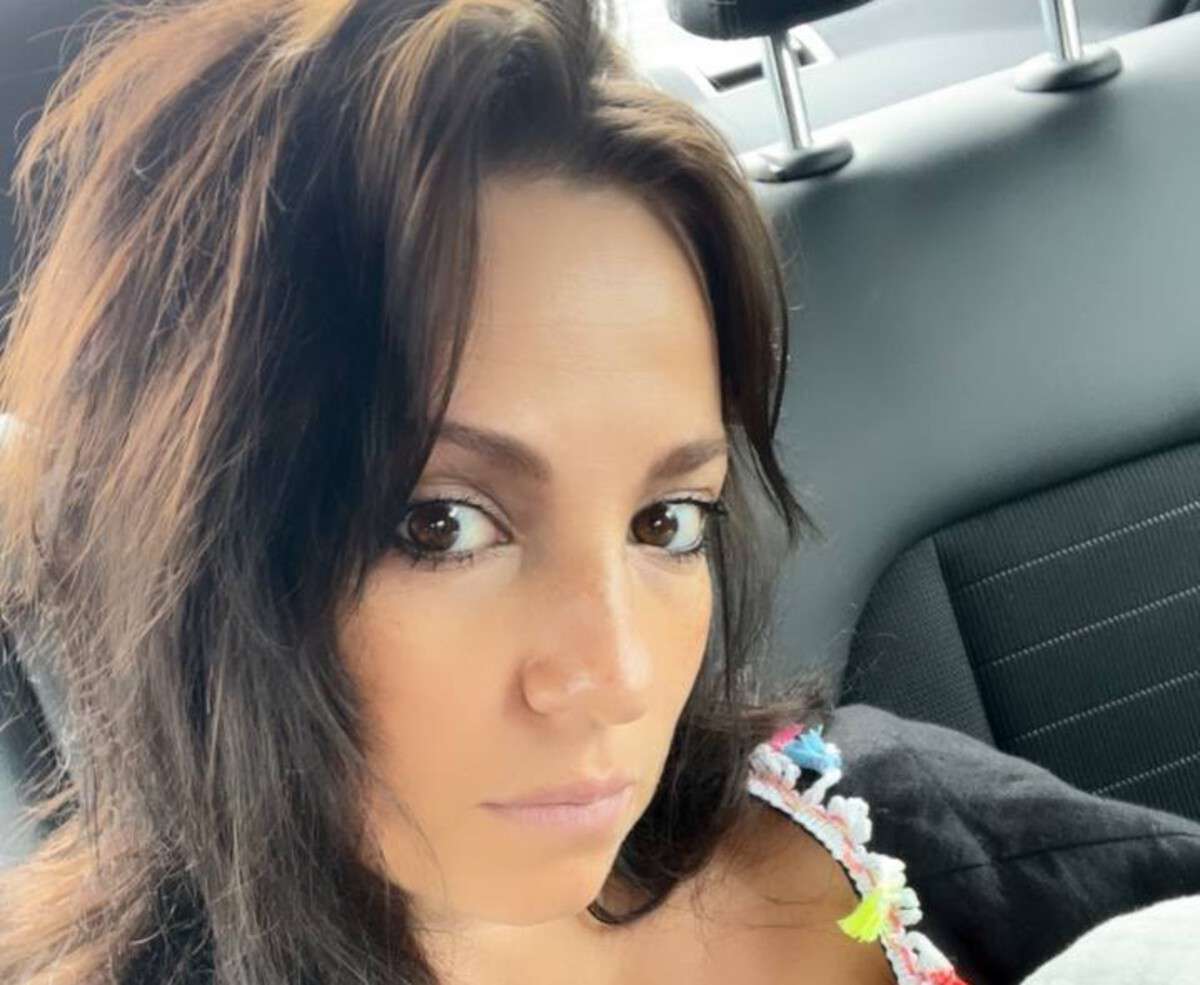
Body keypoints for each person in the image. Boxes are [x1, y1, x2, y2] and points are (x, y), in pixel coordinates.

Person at [0, 3, 1196, 985]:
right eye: (442, 524)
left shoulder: (893, 819)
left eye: (665, 523)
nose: (618, 675)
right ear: (191, 543)